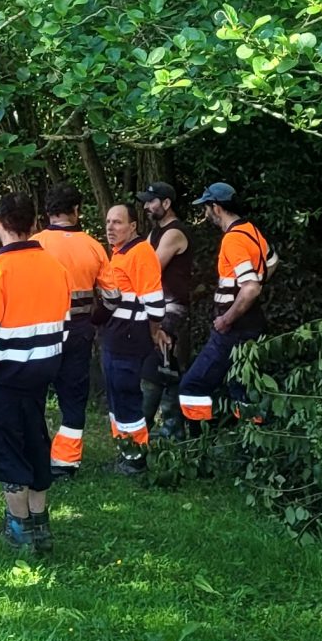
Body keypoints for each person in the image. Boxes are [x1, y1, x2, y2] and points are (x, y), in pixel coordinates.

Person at [0, 190, 71, 556]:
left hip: (3, 380)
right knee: (35, 443)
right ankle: (41, 525)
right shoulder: (57, 269)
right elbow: (64, 327)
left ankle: (19, 528)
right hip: (41, 375)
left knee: (5, 449)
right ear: (35, 224)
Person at [178, 183, 279, 428]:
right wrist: (258, 282)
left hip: (233, 329)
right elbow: (273, 261)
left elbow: (251, 288)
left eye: (206, 208)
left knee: (192, 386)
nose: (205, 213)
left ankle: (199, 440)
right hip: (253, 324)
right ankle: (250, 441)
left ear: (216, 207)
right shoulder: (251, 230)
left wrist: (226, 319)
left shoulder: (233, 240)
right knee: (241, 388)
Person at [35, 183, 109, 482]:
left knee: (32, 394)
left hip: (39, 330)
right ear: (76, 210)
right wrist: (95, 319)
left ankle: (33, 452)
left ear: (48, 211)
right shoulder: (93, 246)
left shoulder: (35, 244)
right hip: (79, 330)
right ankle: (65, 462)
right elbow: (112, 297)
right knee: (73, 397)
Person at [97, 200, 168, 473]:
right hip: (115, 336)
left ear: (133, 226)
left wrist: (154, 331)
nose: (110, 227)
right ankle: (125, 451)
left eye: (117, 222)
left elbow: (155, 305)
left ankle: (136, 459)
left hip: (129, 338)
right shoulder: (120, 253)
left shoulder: (141, 253)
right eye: (108, 222)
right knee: (116, 395)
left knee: (126, 396)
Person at [139, 180, 192, 434]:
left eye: (151, 202)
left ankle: (143, 428)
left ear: (167, 203)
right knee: (168, 366)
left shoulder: (174, 233)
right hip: (159, 305)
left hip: (173, 308)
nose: (146, 207)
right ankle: (173, 429)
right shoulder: (156, 233)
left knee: (156, 363)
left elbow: (149, 269)